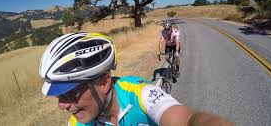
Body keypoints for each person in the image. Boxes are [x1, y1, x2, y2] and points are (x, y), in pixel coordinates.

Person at [39, 32, 233, 126]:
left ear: (105, 82)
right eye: (59, 97)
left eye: (70, 93)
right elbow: (161, 42)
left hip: (175, 45)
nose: (61, 106)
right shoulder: (76, 123)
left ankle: (177, 65)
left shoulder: (141, 95)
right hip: (167, 45)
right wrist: (160, 52)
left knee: (175, 55)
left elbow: (187, 119)